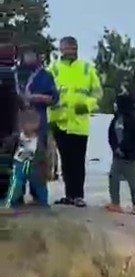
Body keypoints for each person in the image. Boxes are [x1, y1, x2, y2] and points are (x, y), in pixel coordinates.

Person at [48, 36, 102, 207]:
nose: (71, 51)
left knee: (77, 161)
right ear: (61, 49)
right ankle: (69, 195)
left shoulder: (87, 68)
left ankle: (78, 195)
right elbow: (45, 89)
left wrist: (87, 105)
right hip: (60, 121)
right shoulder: (53, 68)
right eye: (67, 48)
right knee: (65, 161)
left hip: (79, 123)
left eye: (73, 48)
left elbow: (97, 93)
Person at [19, 49, 58, 202]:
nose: (28, 58)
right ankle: (17, 195)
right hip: (18, 122)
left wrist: (35, 97)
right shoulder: (16, 73)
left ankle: (38, 196)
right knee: (18, 160)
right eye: (25, 55)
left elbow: (53, 98)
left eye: (31, 55)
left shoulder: (45, 76)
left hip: (38, 123)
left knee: (38, 160)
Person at [106, 92, 135, 215]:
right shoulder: (116, 119)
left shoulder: (134, 120)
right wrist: (115, 148)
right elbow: (111, 135)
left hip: (130, 156)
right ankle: (115, 203)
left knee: (133, 182)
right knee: (113, 178)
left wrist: (124, 149)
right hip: (117, 156)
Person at [5, 107, 47, 208]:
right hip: (19, 164)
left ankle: (43, 203)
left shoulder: (40, 138)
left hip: (35, 165)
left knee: (40, 185)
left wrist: (46, 166)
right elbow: (8, 147)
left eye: (34, 123)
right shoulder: (17, 137)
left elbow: (46, 153)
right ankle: (10, 203)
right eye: (28, 123)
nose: (31, 126)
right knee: (16, 184)